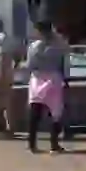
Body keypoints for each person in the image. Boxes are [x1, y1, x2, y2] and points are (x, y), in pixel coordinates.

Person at [26, 23, 68, 154]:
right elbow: (65, 60)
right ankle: (54, 144)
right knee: (55, 113)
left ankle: (32, 144)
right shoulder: (58, 45)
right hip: (53, 79)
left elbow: (29, 65)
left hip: (37, 79)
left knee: (35, 113)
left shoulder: (33, 47)